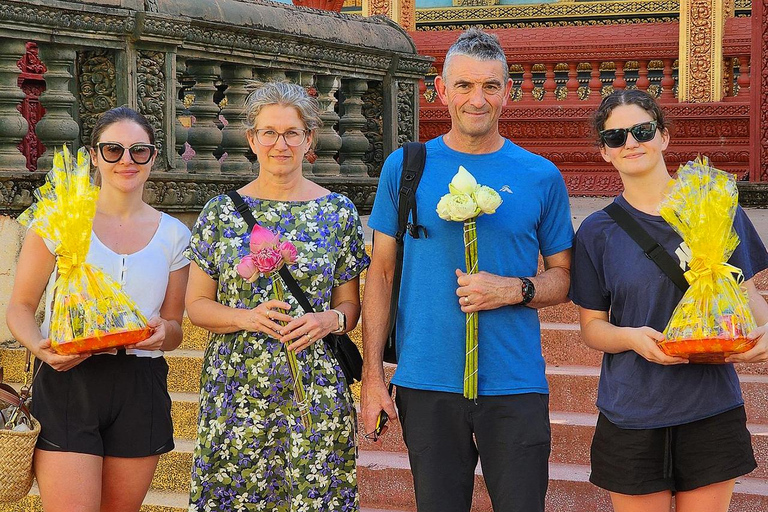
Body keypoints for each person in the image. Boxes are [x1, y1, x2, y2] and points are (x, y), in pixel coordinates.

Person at [361, 28, 574, 512]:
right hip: (426, 379)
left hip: (514, 382)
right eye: (464, 85)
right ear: (441, 90)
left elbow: (563, 276)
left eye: (490, 86)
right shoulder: (406, 167)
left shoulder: (540, 175)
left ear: (507, 92)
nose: (477, 100)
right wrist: (373, 377)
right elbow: (382, 273)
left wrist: (514, 289)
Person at [569, 89, 768, 512]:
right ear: (604, 152)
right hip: (633, 411)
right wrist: (631, 338)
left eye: (642, 131)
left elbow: (747, 295)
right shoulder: (596, 232)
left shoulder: (715, 208)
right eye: (615, 137)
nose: (630, 143)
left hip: (710, 407)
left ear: (664, 136)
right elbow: (592, 327)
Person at [184, 80, 369, 511]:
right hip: (237, 386)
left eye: (291, 133)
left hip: (314, 385)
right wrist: (245, 317)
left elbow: (349, 305)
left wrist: (328, 321)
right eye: (269, 133)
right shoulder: (220, 213)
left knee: (313, 494)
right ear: (252, 139)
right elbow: (196, 306)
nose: (280, 144)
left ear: (309, 139)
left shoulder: (337, 212)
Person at [6, 106, 191, 512]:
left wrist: (165, 333)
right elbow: (20, 306)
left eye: (138, 151)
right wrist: (40, 348)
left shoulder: (175, 235)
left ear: (153, 157)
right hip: (69, 378)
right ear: (94, 155)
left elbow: (175, 326)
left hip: (140, 383)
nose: (126, 160)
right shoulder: (59, 219)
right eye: (113, 150)